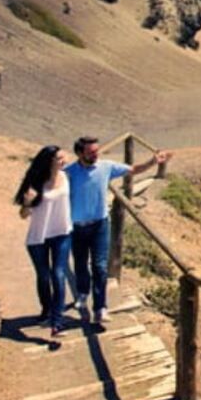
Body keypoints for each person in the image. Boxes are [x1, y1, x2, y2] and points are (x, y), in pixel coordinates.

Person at [66, 136, 172, 324]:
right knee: (81, 263)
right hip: (77, 227)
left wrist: (152, 162)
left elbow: (132, 170)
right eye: (91, 152)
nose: (96, 155)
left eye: (97, 151)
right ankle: (82, 293)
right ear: (80, 153)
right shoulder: (69, 172)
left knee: (99, 266)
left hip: (100, 225)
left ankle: (100, 308)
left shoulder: (106, 166)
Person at [13, 145, 73, 339]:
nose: (63, 161)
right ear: (49, 161)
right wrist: (28, 203)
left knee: (58, 274)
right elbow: (23, 215)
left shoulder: (66, 177)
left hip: (62, 233)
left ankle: (57, 322)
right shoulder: (35, 183)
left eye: (63, 158)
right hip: (38, 237)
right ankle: (46, 310)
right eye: (59, 158)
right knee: (44, 276)